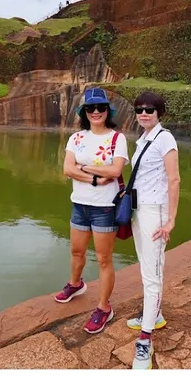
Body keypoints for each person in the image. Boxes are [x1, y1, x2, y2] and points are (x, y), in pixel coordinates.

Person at [55, 88, 129, 336]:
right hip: (79, 204)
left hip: (105, 208)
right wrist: (96, 177)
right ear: (84, 112)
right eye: (90, 108)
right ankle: (76, 284)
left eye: (100, 107)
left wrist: (83, 167)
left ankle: (104, 308)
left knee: (104, 259)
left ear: (108, 110)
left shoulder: (117, 139)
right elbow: (67, 169)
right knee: (76, 251)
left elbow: (116, 171)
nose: (96, 112)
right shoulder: (76, 138)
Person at [127, 91, 180, 370]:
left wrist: (170, 220)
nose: (144, 114)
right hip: (139, 211)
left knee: (153, 276)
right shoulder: (143, 140)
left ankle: (146, 340)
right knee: (146, 268)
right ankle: (154, 315)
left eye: (150, 109)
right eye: (139, 109)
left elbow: (174, 179)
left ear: (159, 112)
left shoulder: (165, 138)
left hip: (155, 213)